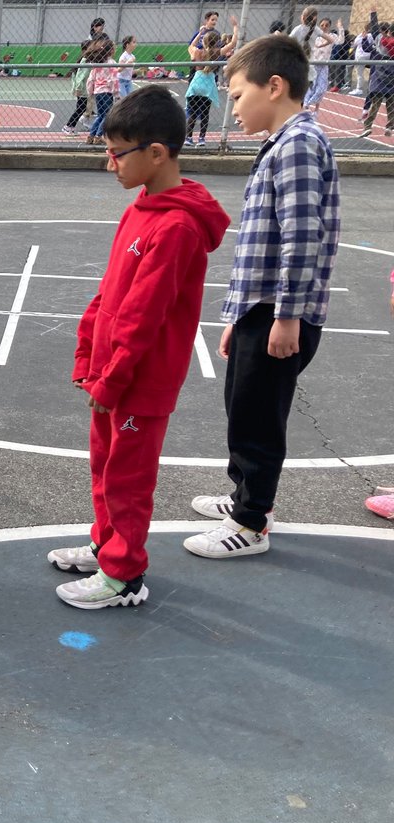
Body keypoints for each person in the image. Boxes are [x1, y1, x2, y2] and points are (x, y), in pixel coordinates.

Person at [49, 86, 230, 609]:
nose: (110, 164)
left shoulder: (176, 227)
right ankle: (106, 546)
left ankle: (124, 575)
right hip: (112, 375)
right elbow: (110, 293)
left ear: (156, 153)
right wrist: (89, 354)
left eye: (117, 152)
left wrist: (113, 377)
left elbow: (143, 316)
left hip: (138, 383)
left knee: (127, 477)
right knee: (104, 467)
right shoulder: (143, 208)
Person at [184, 35, 340, 560]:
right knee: (242, 405)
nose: (232, 104)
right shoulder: (284, 142)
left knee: (258, 417)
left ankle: (252, 523)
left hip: (281, 311)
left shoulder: (297, 144)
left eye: (236, 92)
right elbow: (264, 243)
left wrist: (286, 316)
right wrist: (240, 315)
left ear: (274, 87)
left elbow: (301, 236)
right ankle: (244, 498)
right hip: (262, 308)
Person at [185, 24, 238, 147]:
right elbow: (233, 43)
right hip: (208, 84)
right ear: (217, 42)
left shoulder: (198, 52)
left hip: (197, 82)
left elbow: (191, 45)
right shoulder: (217, 52)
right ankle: (202, 139)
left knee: (193, 113)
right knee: (205, 113)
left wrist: (199, 33)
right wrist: (235, 27)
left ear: (204, 42)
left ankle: (188, 137)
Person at [290, 8, 343, 113]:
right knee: (306, 89)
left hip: (313, 64)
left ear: (303, 17)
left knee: (315, 89)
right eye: (322, 25)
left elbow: (287, 41)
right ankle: (303, 107)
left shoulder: (301, 29)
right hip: (310, 64)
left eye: (326, 25)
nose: (324, 27)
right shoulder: (316, 31)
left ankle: (305, 105)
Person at [358, 22, 394, 137]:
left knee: (379, 104)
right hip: (387, 75)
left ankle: (370, 126)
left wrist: (373, 14)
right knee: (389, 104)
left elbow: (377, 37)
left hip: (382, 74)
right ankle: (388, 126)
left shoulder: (383, 40)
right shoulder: (382, 39)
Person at [83, 35, 116, 145]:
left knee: (101, 115)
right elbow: (113, 79)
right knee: (107, 115)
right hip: (107, 92)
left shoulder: (98, 63)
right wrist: (116, 92)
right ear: (111, 51)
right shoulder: (111, 63)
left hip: (97, 92)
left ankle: (91, 135)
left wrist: (90, 91)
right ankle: (98, 136)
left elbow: (91, 79)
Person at [62, 40, 91, 134]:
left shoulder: (86, 60)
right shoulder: (85, 60)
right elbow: (80, 76)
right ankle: (68, 126)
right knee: (80, 108)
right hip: (82, 89)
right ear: (85, 49)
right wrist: (78, 88)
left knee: (81, 108)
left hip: (85, 89)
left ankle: (71, 126)